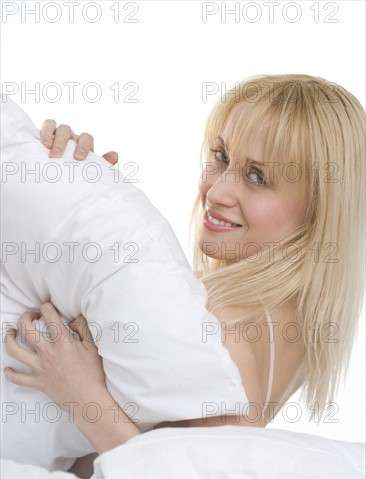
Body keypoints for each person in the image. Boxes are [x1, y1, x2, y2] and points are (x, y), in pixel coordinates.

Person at [4, 74, 365, 457]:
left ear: (319, 211)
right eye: (222, 157)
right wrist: (78, 185)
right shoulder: (284, 318)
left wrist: (81, 394)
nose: (218, 190)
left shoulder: (230, 327)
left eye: (257, 177)